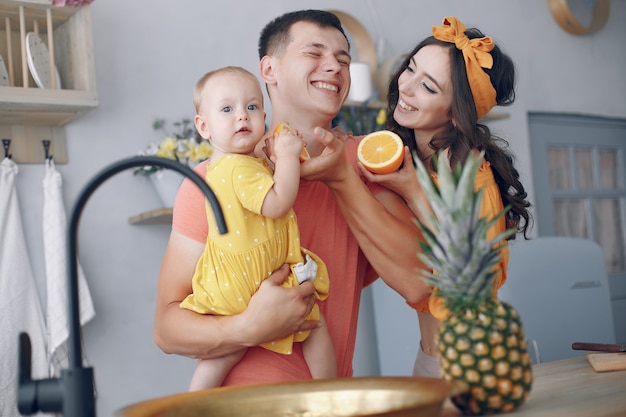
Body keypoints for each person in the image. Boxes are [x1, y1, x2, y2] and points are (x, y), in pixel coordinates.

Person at [153, 9, 428, 386]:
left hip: (328, 403)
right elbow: (167, 329)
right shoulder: (209, 182)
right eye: (314, 54)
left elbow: (420, 281)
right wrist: (246, 327)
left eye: (343, 59)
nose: (333, 66)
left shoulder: (366, 162)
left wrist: (343, 179)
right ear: (269, 70)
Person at [358, 16, 531, 377]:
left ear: (455, 114)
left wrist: (412, 192)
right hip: (430, 358)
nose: (406, 87)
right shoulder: (410, 160)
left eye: (429, 87)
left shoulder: (471, 173)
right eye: (411, 69)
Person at [180, 66, 336, 391]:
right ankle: (330, 393)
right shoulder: (238, 168)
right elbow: (277, 203)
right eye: (228, 109)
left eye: (251, 107)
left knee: (220, 357)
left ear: (263, 113)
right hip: (253, 277)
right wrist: (289, 158)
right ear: (203, 126)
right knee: (314, 325)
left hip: (233, 278)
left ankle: (192, 405)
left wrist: (275, 161)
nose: (242, 117)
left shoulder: (232, 164)